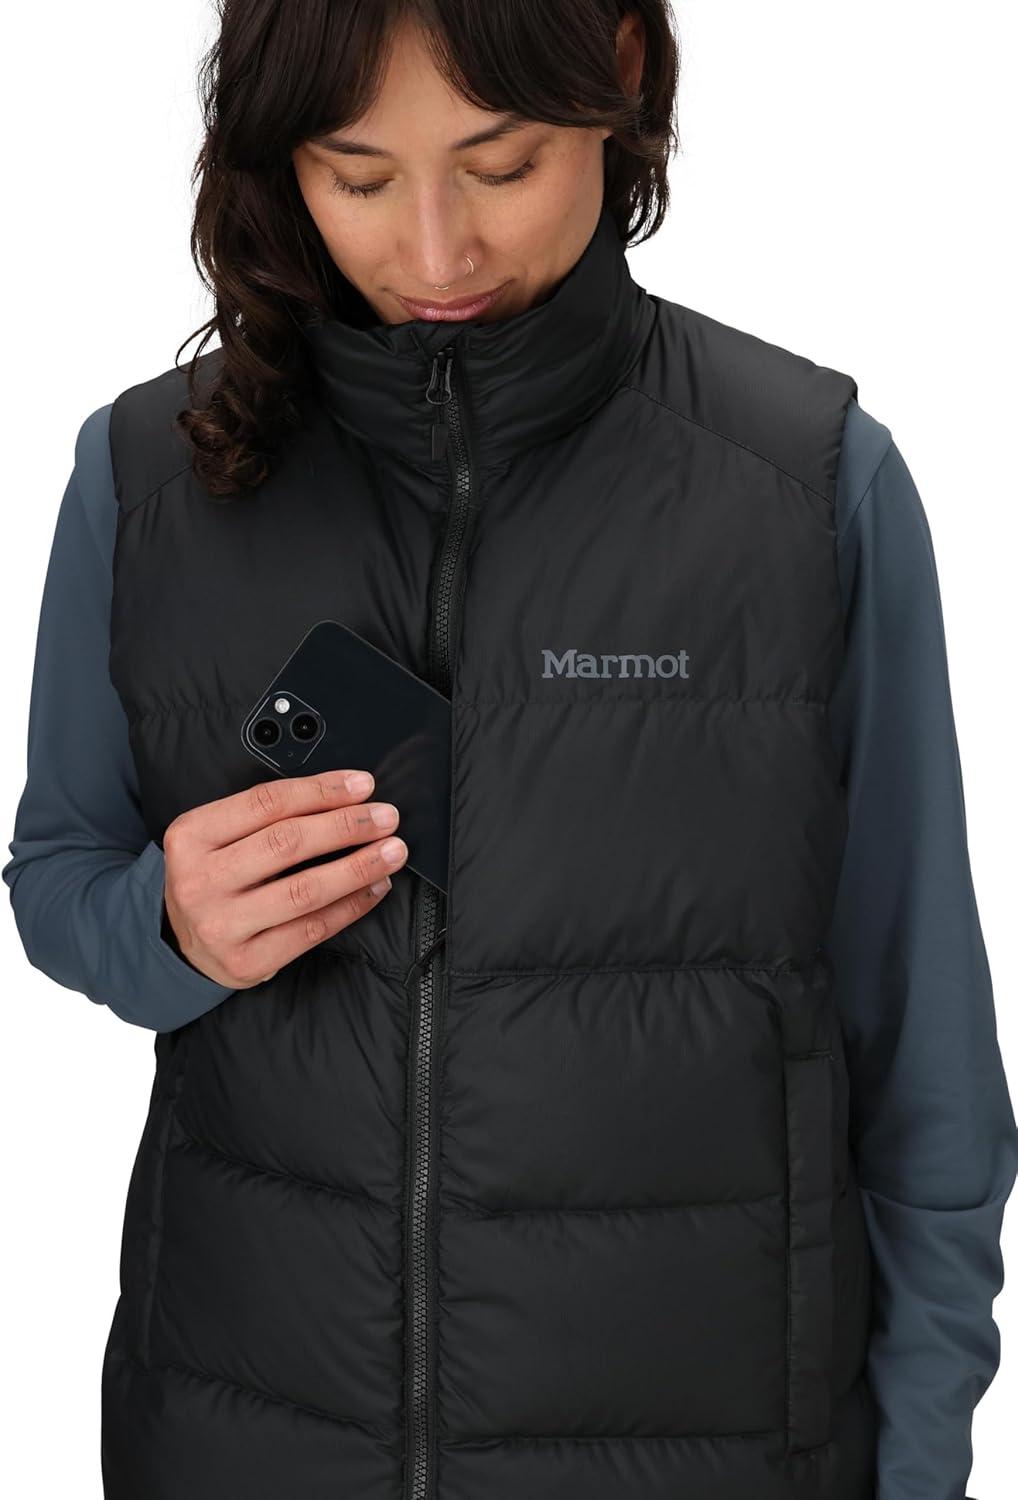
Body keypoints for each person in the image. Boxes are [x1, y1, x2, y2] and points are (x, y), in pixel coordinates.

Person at [4, 4, 1016, 1498]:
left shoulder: (807, 487)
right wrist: (165, 923)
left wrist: (920, 1465)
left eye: (502, 165)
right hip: (244, 1435)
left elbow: (919, 1037)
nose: (436, 251)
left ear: (618, 78)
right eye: (358, 177)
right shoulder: (149, 477)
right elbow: (56, 873)